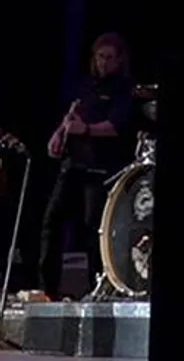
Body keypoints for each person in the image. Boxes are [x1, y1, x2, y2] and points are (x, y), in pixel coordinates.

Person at [38, 33, 135, 300]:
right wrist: (58, 134)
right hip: (72, 167)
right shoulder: (86, 87)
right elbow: (71, 116)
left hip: (100, 171)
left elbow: (116, 127)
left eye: (110, 58)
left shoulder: (123, 90)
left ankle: (99, 287)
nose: (104, 63)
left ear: (119, 60)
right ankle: (48, 288)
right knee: (51, 221)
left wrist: (87, 129)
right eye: (100, 57)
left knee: (94, 231)